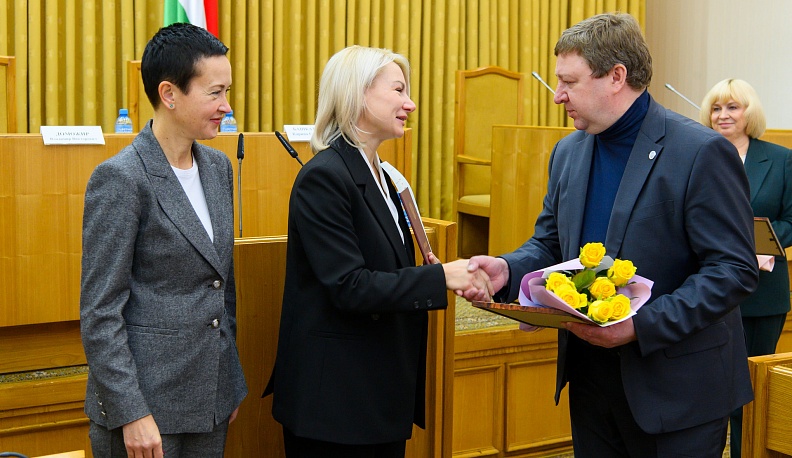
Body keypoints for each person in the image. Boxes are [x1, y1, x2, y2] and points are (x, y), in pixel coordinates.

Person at [464, 13, 759, 457]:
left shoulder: (700, 152)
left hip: (678, 390)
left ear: (616, 76)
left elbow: (733, 270)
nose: (558, 96)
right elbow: (551, 245)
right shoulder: (568, 151)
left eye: (570, 82)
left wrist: (641, 325)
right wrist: (507, 266)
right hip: (591, 382)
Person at [264, 45, 490, 458]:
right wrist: (441, 278)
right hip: (336, 404)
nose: (411, 103)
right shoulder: (326, 177)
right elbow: (350, 286)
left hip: (375, 392)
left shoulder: (384, 177)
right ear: (358, 94)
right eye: (399, 90)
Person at [80, 23, 247, 458]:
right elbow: (101, 313)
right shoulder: (121, 178)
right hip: (145, 411)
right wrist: (130, 412)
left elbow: (220, 284)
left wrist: (224, 379)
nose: (226, 107)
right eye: (215, 93)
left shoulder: (217, 167)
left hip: (209, 397)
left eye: (227, 91)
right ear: (169, 94)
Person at [700, 78, 792, 458]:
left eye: (732, 107)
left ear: (748, 112)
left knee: (753, 387)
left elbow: (790, 218)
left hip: (762, 291)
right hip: (707, 289)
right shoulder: (698, 154)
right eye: (717, 108)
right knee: (709, 387)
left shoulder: (782, 159)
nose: (723, 115)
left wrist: (764, 248)